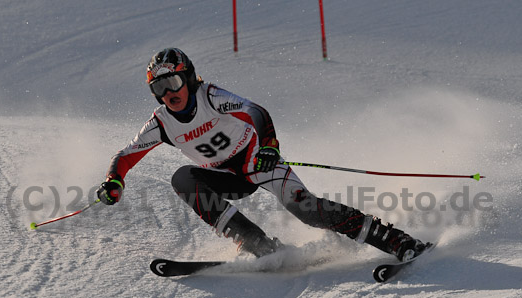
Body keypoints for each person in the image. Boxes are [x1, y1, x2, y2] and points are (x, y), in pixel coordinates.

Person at [97, 48, 429, 261]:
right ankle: (256, 244)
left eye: (172, 83)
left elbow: (255, 111)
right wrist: (115, 180)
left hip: (258, 160)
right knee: (183, 178)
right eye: (158, 89)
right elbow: (127, 155)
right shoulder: (162, 122)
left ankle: (393, 240)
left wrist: (269, 147)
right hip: (227, 176)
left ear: (187, 76)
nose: (168, 94)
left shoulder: (210, 96)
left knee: (306, 209)